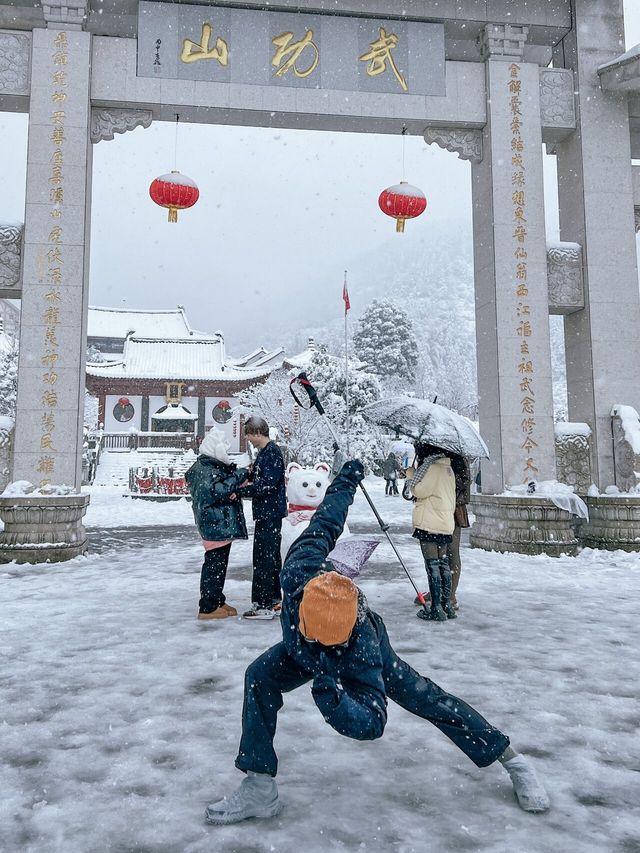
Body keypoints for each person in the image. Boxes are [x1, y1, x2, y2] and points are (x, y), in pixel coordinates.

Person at [204, 460, 549, 825]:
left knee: (427, 698)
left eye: (326, 639)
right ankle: (259, 788)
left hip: (350, 658)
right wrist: (347, 479)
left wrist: (333, 699)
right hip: (300, 652)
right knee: (259, 676)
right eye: (311, 632)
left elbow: (372, 722)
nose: (317, 639)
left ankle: (513, 761)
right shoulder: (299, 569)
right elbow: (329, 516)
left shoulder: (361, 645)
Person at [185, 430, 250, 620]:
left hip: (217, 523)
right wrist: (238, 476)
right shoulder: (206, 470)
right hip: (215, 523)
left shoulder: (208, 467)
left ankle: (217, 599)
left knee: (219, 564)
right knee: (214, 565)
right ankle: (208, 606)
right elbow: (218, 490)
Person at [237, 416, 287, 620]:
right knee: (271, 558)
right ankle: (274, 600)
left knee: (263, 558)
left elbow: (267, 484)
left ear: (257, 433)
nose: (248, 439)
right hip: (269, 513)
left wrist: (241, 492)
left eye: (248, 434)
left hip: (269, 513)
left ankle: (263, 604)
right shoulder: (266, 453)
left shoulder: (271, 453)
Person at [404, 442, 457, 621]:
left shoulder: (433, 468)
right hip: (444, 523)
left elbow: (419, 490)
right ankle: (446, 605)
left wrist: (411, 475)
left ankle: (435, 608)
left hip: (430, 522)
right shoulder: (448, 469)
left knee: (432, 564)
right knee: (443, 564)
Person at [413, 452, 471, 611]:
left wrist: (444, 497)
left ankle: (450, 596)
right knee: (436, 557)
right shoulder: (430, 459)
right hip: (437, 508)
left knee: (449, 555)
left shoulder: (453, 459)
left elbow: (463, 485)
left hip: (452, 510)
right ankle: (437, 592)